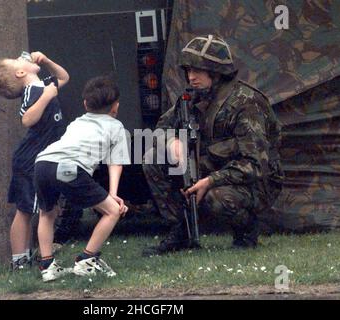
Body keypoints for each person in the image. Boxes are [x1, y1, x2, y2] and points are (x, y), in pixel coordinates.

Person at [142, 35, 284, 256]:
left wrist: (210, 181)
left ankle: (245, 231)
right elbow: (160, 129)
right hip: (207, 168)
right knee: (152, 158)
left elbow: (256, 165)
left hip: (253, 183)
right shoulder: (190, 99)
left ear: (216, 72)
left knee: (216, 198)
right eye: (188, 70)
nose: (191, 76)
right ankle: (181, 228)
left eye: (197, 70)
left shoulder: (245, 103)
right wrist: (172, 141)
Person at [34, 76, 130, 282]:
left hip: (42, 164)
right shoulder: (116, 127)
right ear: (116, 106)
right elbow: (116, 162)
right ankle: (87, 259)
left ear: (85, 104)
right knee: (112, 211)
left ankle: (47, 266)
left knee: (47, 213)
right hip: (69, 168)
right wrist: (113, 195)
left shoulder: (77, 122)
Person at [0, 51, 70, 270]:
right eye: (18, 60)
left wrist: (47, 61)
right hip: (30, 160)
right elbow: (27, 118)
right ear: (20, 72)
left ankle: (36, 253)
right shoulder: (32, 91)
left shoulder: (44, 83)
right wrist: (46, 96)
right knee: (25, 209)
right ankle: (19, 259)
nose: (23, 57)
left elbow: (64, 78)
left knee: (49, 208)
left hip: (46, 158)